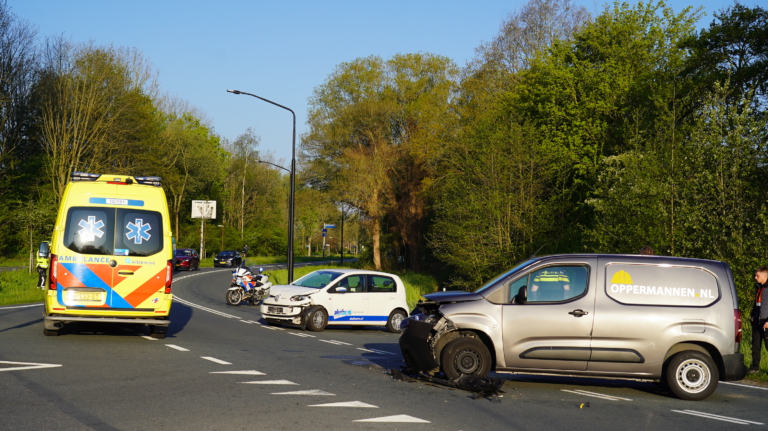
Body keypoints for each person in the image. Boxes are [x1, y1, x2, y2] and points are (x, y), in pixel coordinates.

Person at [750, 267, 768, 374]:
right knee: (755, 346)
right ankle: (755, 368)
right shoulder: (758, 288)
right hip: (757, 321)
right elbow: (757, 304)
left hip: (766, 322)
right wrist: (753, 315)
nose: (755, 277)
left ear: (765, 276)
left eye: (757, 275)